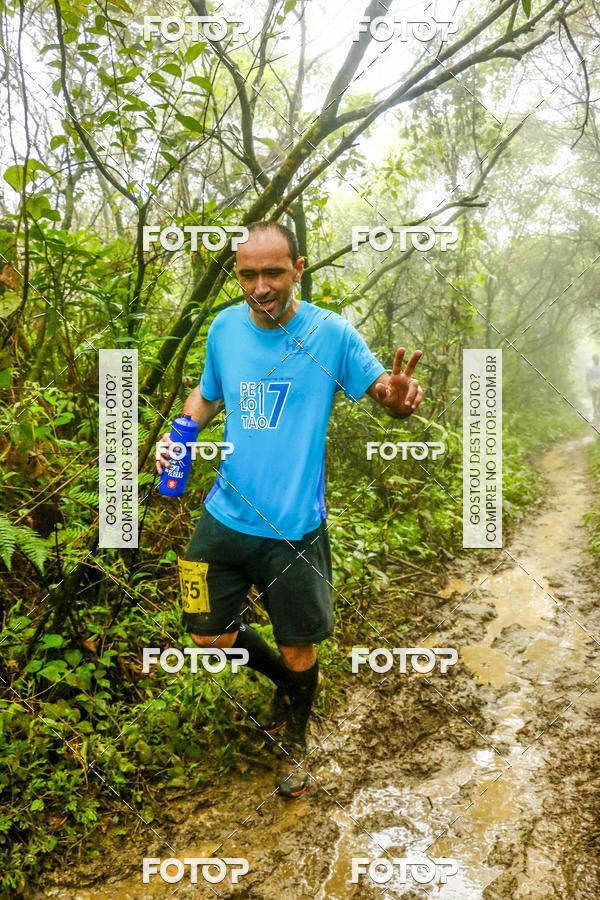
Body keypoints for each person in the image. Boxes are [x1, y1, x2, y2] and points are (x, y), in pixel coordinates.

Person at [156, 221, 424, 798]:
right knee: (205, 634)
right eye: (249, 274)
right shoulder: (224, 327)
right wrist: (180, 436)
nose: (261, 286)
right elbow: (207, 395)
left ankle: (295, 737)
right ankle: (286, 682)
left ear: (298, 269)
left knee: (300, 642)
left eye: (273, 272)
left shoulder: (331, 334)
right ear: (237, 275)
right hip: (223, 517)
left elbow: (383, 391)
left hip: (295, 527)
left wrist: (397, 400)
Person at [587, 354, 600, 418]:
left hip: (599, 381)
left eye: (598, 359)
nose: (597, 360)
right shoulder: (589, 366)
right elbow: (587, 376)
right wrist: (587, 385)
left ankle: (598, 407)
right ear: (593, 359)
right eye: (596, 359)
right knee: (594, 397)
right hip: (593, 382)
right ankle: (595, 409)